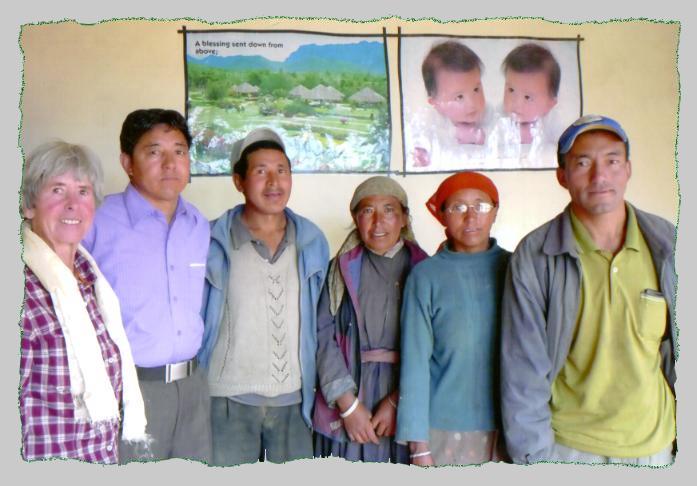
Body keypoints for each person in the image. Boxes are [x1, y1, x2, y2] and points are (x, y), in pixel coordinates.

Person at [500, 114, 677, 466]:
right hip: (569, 449)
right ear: (562, 176)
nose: (600, 176)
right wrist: (535, 459)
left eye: (612, 161)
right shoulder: (535, 257)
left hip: (655, 447)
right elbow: (523, 371)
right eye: (583, 163)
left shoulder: (667, 245)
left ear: (627, 169)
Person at [82, 109, 211, 462]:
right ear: (128, 162)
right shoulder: (95, 221)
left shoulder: (198, 225)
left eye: (179, 151)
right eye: (154, 152)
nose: (170, 163)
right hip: (128, 390)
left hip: (192, 388)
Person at [199, 127, 329, 465]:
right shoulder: (211, 240)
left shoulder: (312, 242)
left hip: (293, 399)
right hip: (226, 399)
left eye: (281, 171)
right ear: (238, 181)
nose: (274, 182)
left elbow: (320, 321)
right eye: (261, 172)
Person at [20, 141, 147, 463]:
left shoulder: (90, 280)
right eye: (57, 190)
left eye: (83, 191)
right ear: (29, 205)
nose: (73, 204)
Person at [396, 172, 510, 466]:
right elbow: (415, 362)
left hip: (511, 425)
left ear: (495, 212)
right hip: (444, 428)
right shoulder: (426, 276)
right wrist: (418, 446)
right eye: (458, 207)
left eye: (481, 206)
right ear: (442, 215)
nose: (471, 217)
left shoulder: (515, 267)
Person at [313, 176, 428, 463]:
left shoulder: (427, 269)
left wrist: (397, 401)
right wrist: (348, 406)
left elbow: (437, 344)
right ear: (355, 218)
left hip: (405, 393)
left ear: (403, 218)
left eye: (389, 210)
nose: (378, 223)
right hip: (350, 391)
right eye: (367, 211)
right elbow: (320, 334)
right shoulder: (338, 270)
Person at [408, 41, 492, 170]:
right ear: (435, 103)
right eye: (459, 97)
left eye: (476, 90)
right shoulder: (431, 122)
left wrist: (482, 135)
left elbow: (502, 131)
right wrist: (422, 153)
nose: (472, 103)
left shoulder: (488, 113)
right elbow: (419, 138)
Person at [489, 43, 564, 166]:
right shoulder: (501, 113)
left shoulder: (552, 120)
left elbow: (562, 146)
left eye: (527, 97)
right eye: (511, 90)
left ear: (550, 104)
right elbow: (491, 140)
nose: (516, 102)